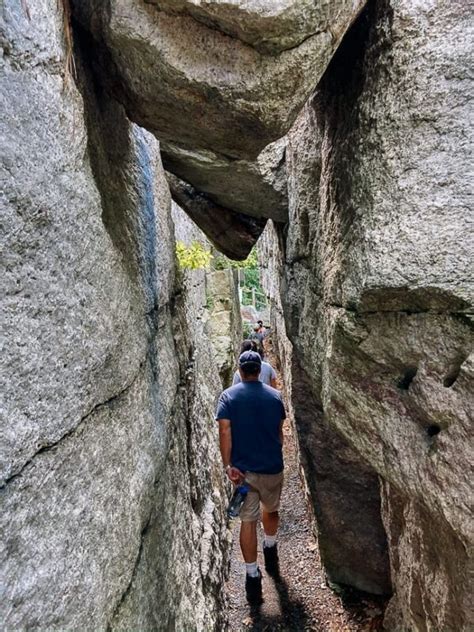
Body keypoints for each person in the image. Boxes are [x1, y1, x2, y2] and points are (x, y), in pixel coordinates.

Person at [216, 351, 286, 604]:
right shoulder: (276, 397)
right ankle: (270, 548)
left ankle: (251, 575)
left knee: (248, 520)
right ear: (259, 369)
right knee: (272, 508)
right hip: (271, 466)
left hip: (243, 471)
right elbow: (279, 432)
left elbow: (225, 430)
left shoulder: (228, 397)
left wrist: (228, 465)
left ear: (240, 370)